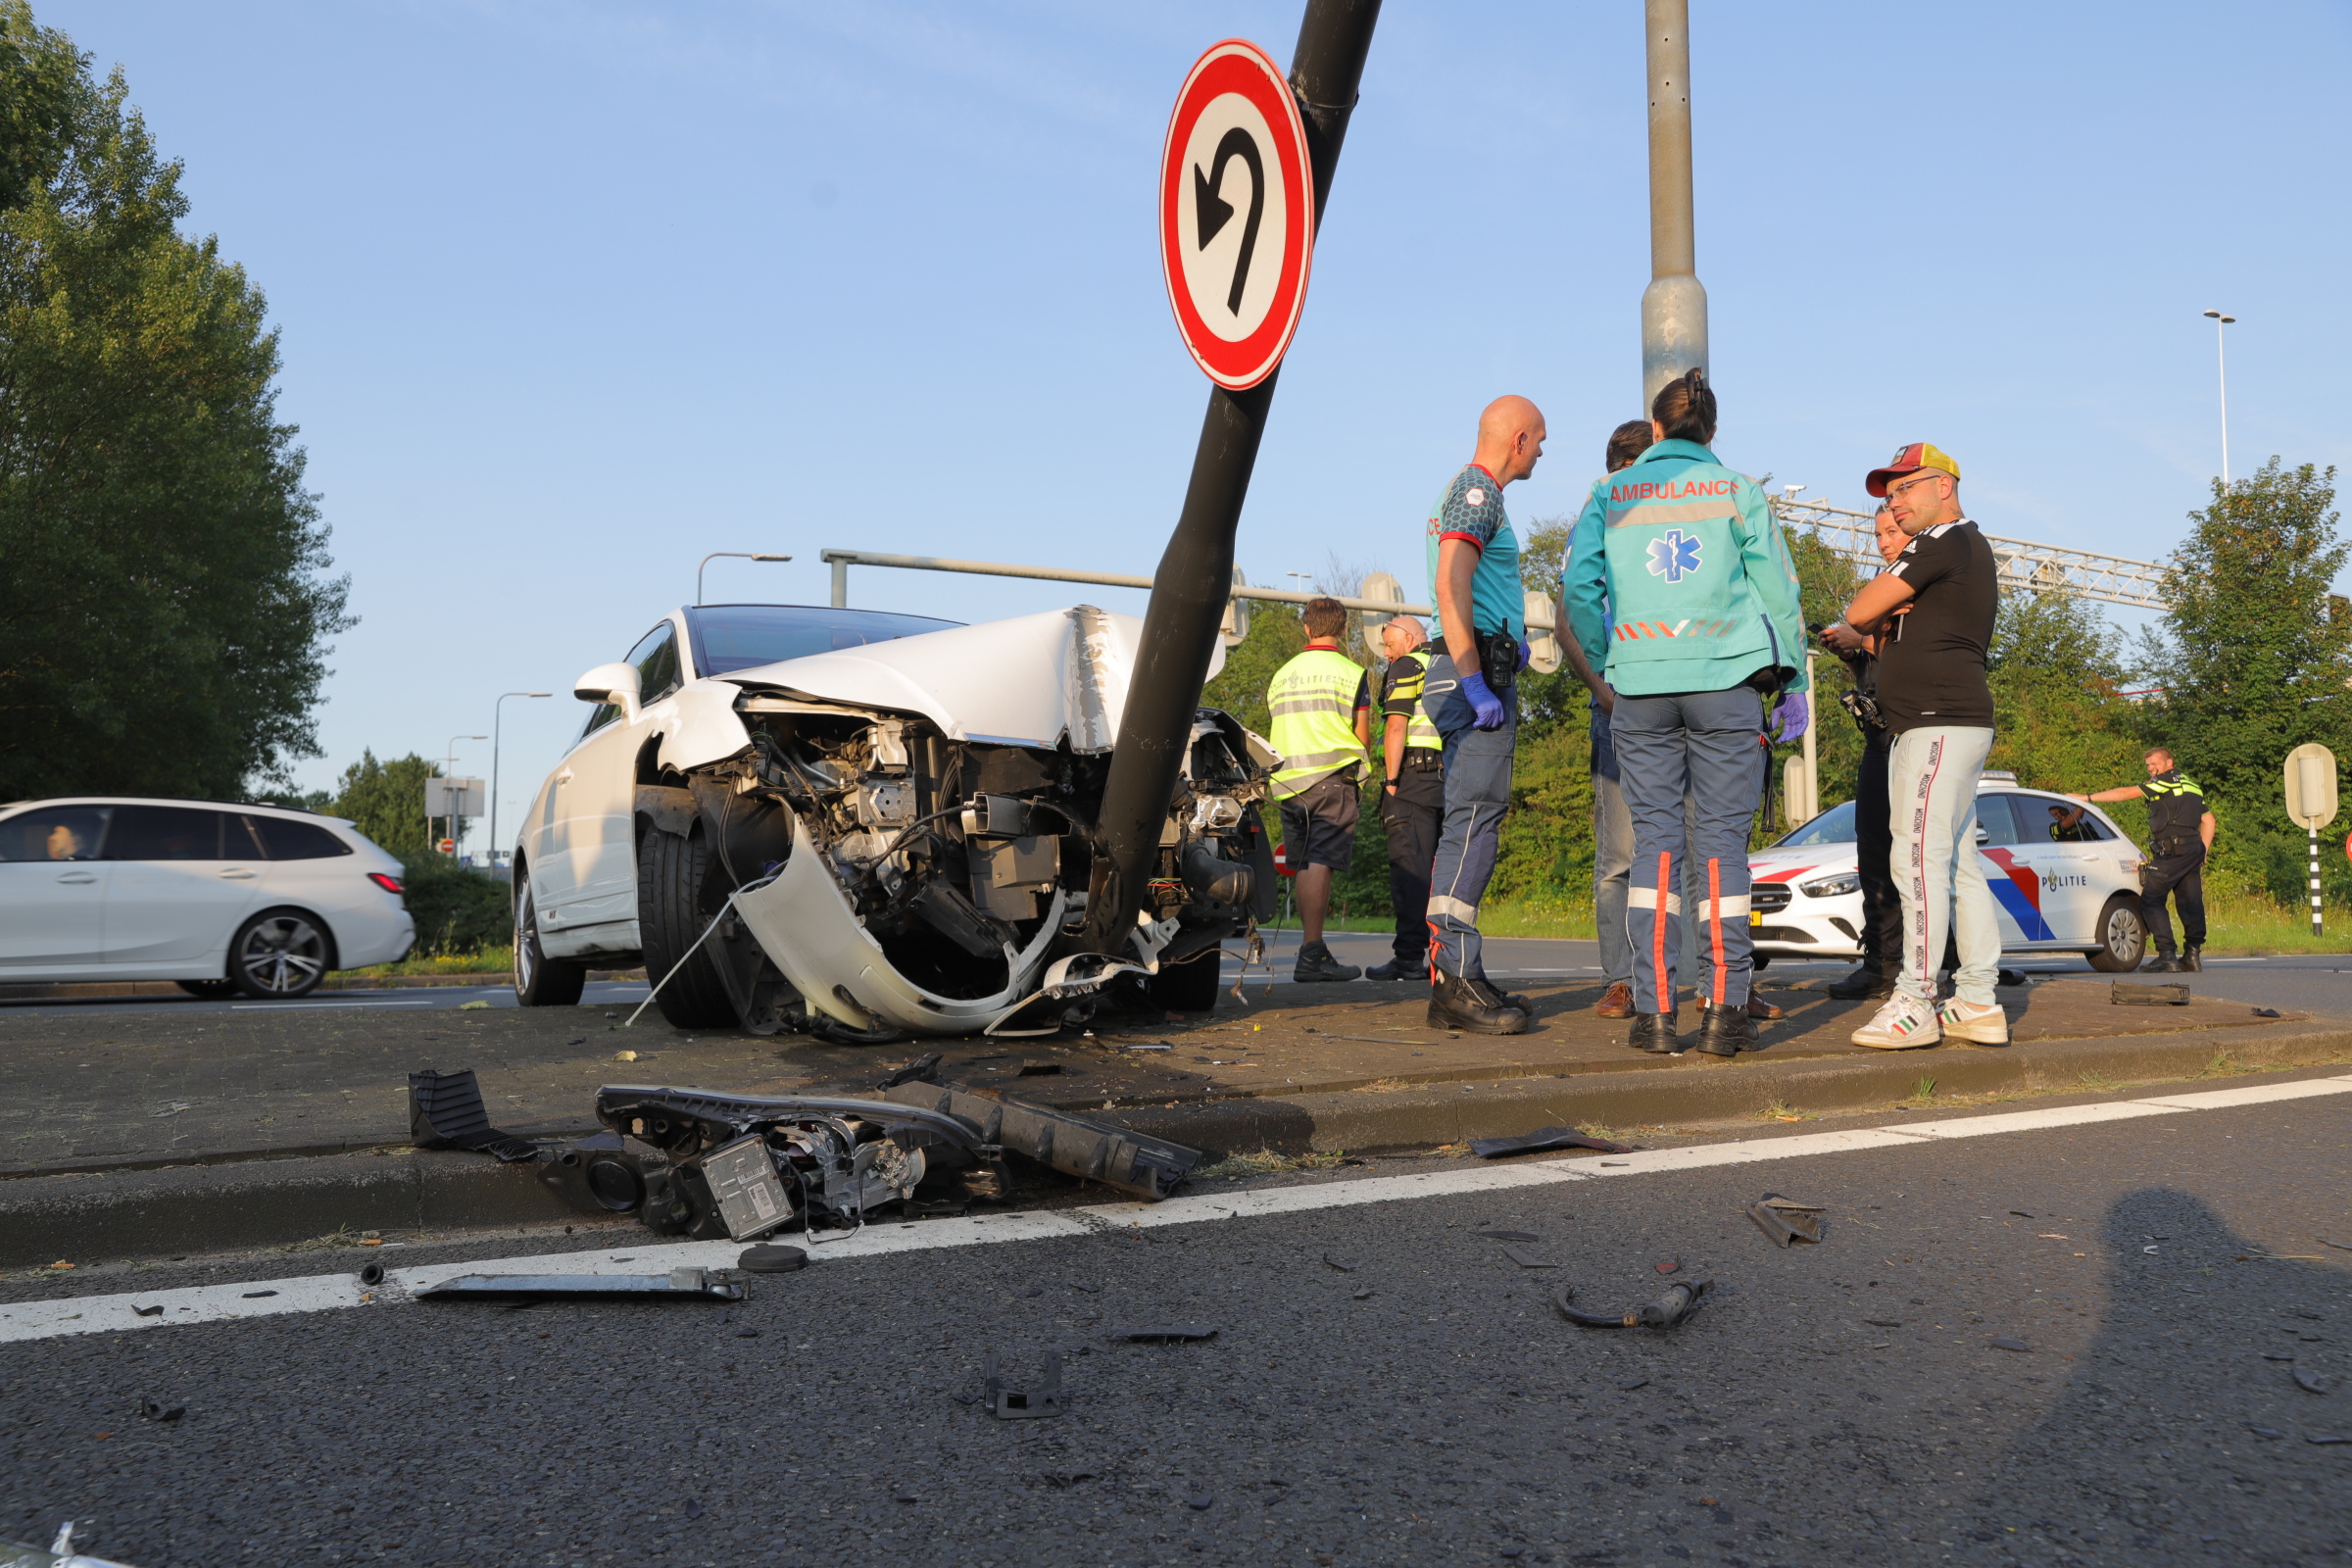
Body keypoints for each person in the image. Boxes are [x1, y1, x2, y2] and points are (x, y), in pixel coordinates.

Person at [1564, 369, 1809, 1057]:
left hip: (1639, 686)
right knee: (1723, 849)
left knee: (1656, 847)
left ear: (1659, 427)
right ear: (1712, 431)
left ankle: (1655, 1012)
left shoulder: (1610, 493)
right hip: (1726, 682)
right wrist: (1790, 681)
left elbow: (1579, 586)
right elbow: (1779, 594)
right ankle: (1725, 1014)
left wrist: (1614, 653)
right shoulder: (1739, 492)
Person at [1820, 443, 2004, 1048]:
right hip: (1946, 720)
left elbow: (1861, 607)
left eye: (1903, 490)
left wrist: (1877, 605)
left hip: (1937, 722)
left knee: (1916, 858)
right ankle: (1977, 998)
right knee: (1957, 864)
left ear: (1943, 487)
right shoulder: (1960, 548)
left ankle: (1916, 999)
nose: (1894, 505)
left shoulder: (1941, 541)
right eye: (1889, 493)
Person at [1424, 394, 1547, 1034]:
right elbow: (1451, 583)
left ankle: (1458, 973)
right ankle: (1455, 979)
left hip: (1477, 664)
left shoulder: (1465, 491)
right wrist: (1475, 679)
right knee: (1474, 820)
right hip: (1474, 675)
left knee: (1473, 819)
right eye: (1541, 442)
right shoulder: (1480, 490)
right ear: (1519, 439)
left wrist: (1509, 635)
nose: (1542, 454)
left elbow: (1470, 585)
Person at [1821, 504, 1910, 1002]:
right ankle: (1880, 963)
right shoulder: (1879, 588)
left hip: (1915, 737)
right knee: (1872, 852)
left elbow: (1919, 652)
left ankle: (1945, 961)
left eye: (1892, 530)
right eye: (1878, 533)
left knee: (1921, 858)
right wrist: (1852, 650)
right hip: (1877, 740)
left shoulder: (1925, 579)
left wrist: (1867, 640)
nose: (1884, 540)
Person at [1264, 595, 1367, 983]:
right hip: (1330, 777)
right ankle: (1312, 952)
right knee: (1321, 859)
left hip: (1288, 782)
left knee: (1305, 861)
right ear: (1342, 629)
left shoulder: (1282, 674)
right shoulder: (1351, 672)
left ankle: (1312, 949)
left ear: (1307, 628)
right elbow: (1361, 732)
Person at [1355, 614, 1445, 982]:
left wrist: (1391, 780)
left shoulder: (1407, 664)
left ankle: (1408, 958)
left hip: (1413, 777)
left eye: (1389, 645)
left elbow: (1396, 724)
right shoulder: (1445, 662)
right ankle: (1446, 957)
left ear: (1409, 638)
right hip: (1447, 777)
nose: (1387, 655)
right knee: (1442, 870)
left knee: (1410, 869)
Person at [2068, 748, 2215, 972]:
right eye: (2148, 765)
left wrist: (2087, 797)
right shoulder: (2192, 785)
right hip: (2192, 849)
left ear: (2169, 762)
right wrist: (2202, 850)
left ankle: (2167, 955)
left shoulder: (2165, 781)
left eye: (2155, 763)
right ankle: (2192, 956)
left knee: (2151, 900)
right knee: (2190, 903)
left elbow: (2125, 793)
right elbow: (2209, 820)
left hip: (2172, 850)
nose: (2151, 769)